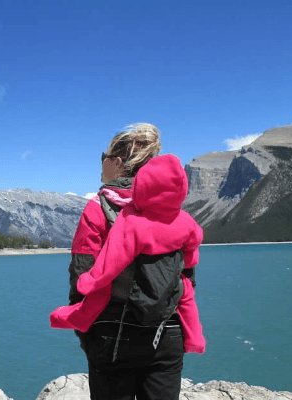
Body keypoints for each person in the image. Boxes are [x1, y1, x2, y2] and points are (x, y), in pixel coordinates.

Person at [49, 123, 205, 400]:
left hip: (113, 333)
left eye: (104, 158)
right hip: (167, 331)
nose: (101, 164)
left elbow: (82, 273)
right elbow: (187, 272)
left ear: (118, 163)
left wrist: (85, 330)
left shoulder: (98, 208)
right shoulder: (170, 210)